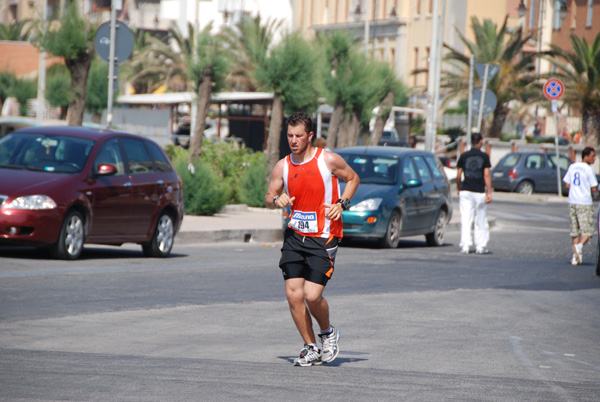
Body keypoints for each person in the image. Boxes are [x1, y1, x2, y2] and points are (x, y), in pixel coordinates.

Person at [265, 112, 359, 367]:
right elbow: (270, 194)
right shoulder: (283, 165)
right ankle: (310, 347)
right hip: (296, 236)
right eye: (289, 136)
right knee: (293, 294)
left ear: (310, 136)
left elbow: (353, 178)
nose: (293, 140)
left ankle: (328, 332)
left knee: (312, 295)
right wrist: (276, 200)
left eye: (298, 136)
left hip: (324, 236)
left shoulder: (327, 159)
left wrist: (342, 203)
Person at [456, 133, 492, 254]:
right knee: (480, 219)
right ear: (480, 141)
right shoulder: (484, 157)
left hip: (466, 189)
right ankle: (481, 246)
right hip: (479, 191)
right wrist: (489, 192)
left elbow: (458, 174)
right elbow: (486, 174)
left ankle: (465, 245)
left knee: (466, 219)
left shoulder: (464, 156)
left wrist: (458, 188)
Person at [563, 146, 598, 266]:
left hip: (572, 201)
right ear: (586, 156)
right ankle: (579, 246)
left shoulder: (572, 166)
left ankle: (575, 257)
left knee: (575, 230)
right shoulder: (588, 169)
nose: (594, 159)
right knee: (588, 230)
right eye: (593, 156)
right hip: (584, 202)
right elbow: (594, 187)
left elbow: (567, 185)